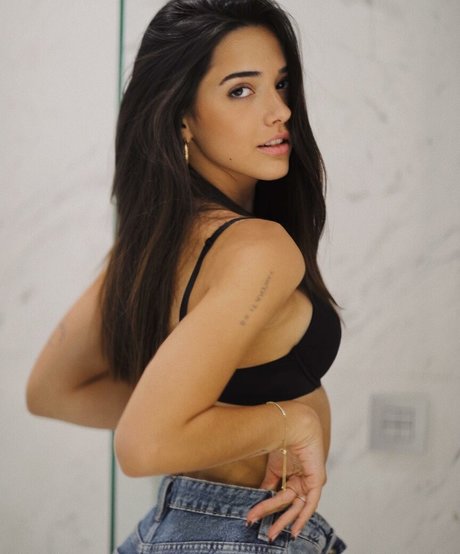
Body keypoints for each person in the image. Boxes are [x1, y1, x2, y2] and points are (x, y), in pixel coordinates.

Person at [26, 0, 347, 551]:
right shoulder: (260, 249)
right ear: (182, 117)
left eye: (281, 84)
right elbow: (140, 445)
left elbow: (52, 391)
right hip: (238, 532)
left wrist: (199, 414)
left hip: (180, 527)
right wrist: (289, 421)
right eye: (240, 90)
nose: (279, 111)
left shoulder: (152, 246)